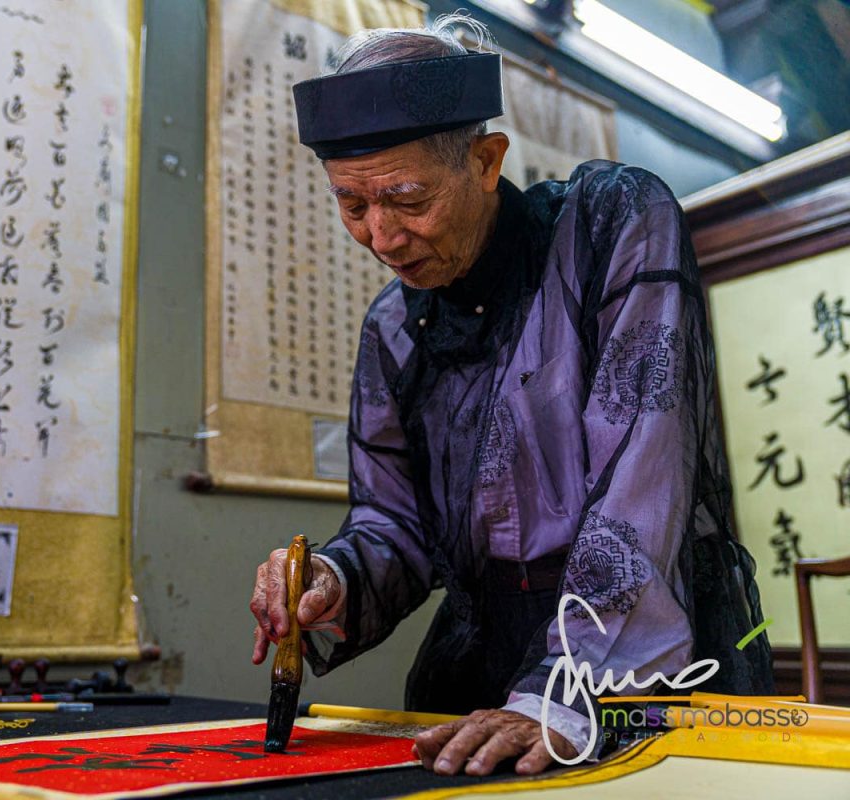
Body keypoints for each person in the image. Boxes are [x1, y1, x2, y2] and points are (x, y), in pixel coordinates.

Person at [249, 15, 773, 777]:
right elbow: (394, 521)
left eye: (407, 198)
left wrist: (564, 692)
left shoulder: (609, 224)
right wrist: (334, 579)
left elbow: (643, 467)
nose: (382, 238)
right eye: (353, 205)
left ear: (486, 160)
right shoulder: (395, 326)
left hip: (638, 662)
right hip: (485, 661)